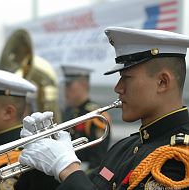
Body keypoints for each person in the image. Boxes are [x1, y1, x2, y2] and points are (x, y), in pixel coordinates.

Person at [18, 26, 189, 190]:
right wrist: (43, 161)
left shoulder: (178, 158)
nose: (118, 88)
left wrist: (66, 167)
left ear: (162, 82)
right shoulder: (123, 148)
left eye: (126, 78)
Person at [61, 64, 111, 173]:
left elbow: (98, 159)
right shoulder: (67, 112)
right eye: (65, 85)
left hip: (85, 174)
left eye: (69, 85)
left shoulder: (95, 115)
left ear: (84, 85)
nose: (66, 89)